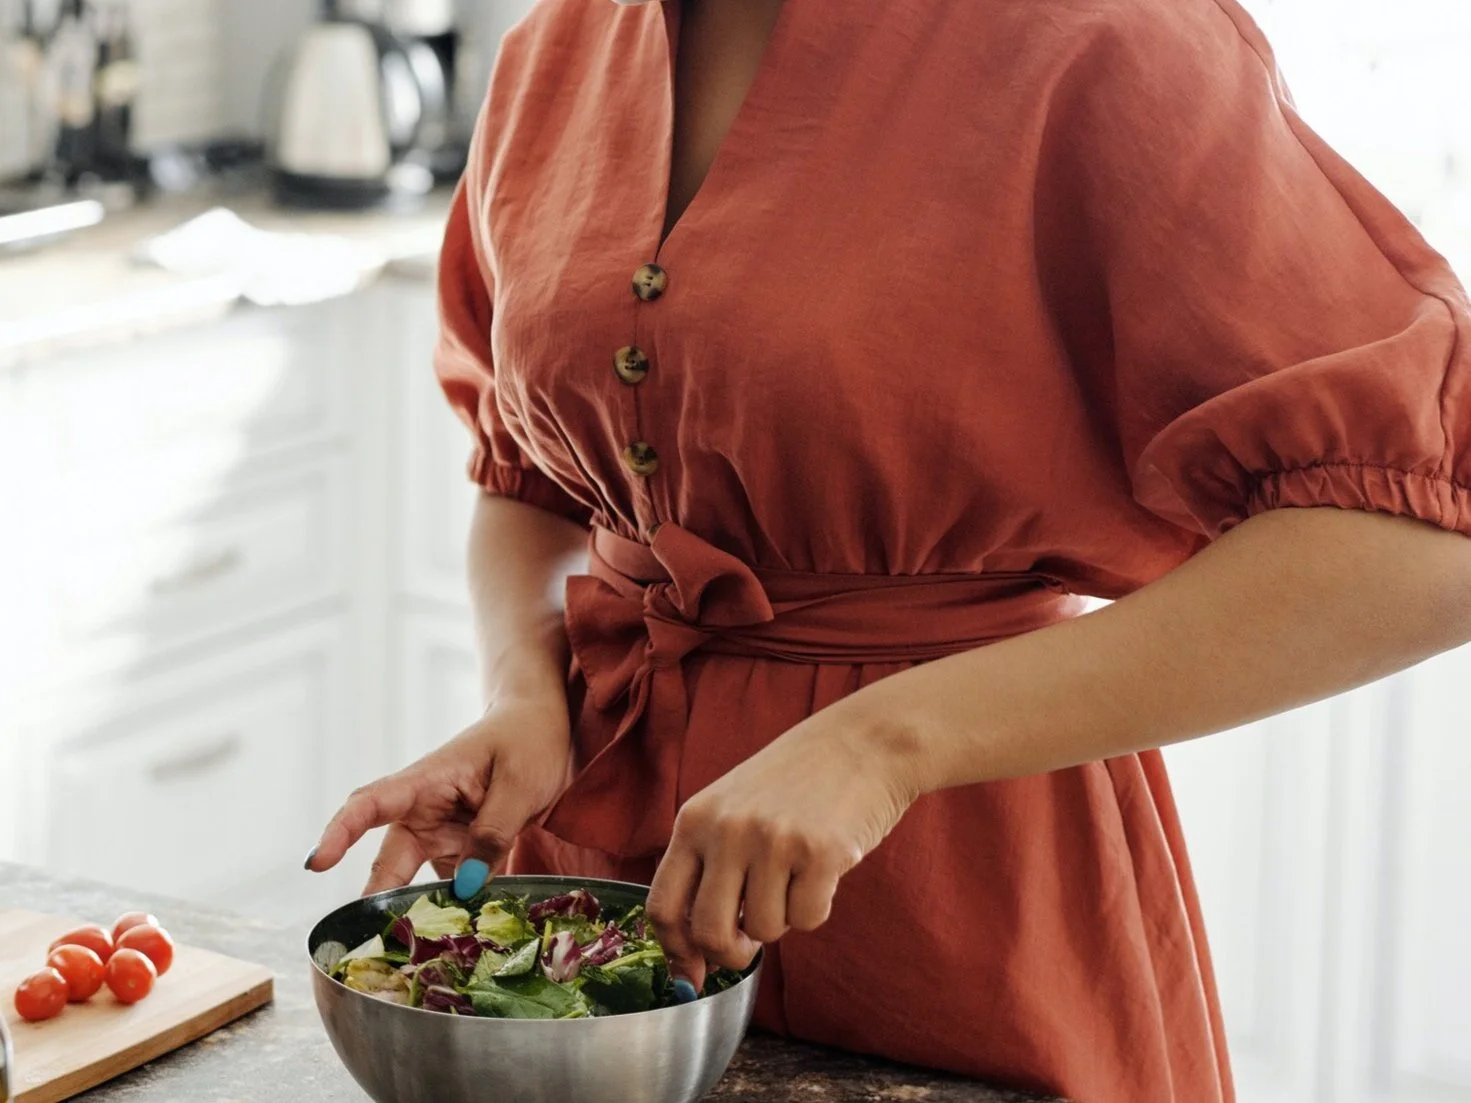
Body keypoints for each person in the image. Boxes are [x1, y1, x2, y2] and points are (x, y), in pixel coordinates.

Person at [305, 0, 1471, 1098]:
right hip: (594, 883)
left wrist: (881, 745)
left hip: (959, 891)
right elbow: (525, 467)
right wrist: (526, 693)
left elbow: (1425, 542)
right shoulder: (558, 46)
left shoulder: (1100, 35)